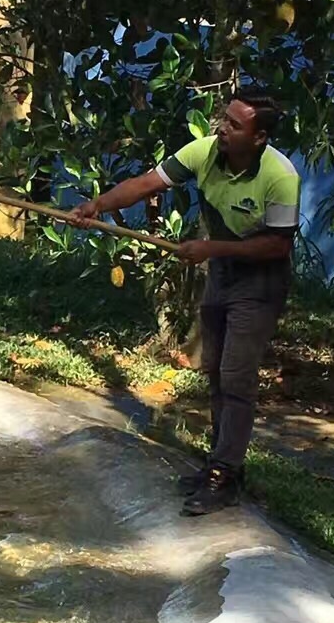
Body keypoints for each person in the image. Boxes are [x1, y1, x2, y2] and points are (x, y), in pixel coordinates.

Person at [67, 90, 301, 515]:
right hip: (223, 275)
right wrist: (96, 206)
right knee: (215, 371)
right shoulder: (204, 152)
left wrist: (212, 249)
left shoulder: (280, 175)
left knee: (236, 377)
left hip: (260, 282)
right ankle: (223, 467)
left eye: (234, 125)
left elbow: (277, 247)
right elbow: (146, 184)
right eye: (223, 120)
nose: (222, 130)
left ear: (260, 136)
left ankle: (223, 473)